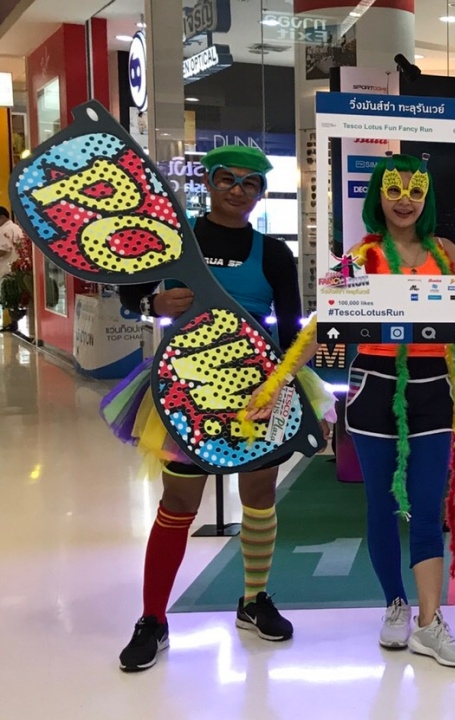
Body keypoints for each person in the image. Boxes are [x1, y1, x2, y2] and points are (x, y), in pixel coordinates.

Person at [114, 145, 308, 672]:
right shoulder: (177, 242)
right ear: (208, 181)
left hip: (255, 393)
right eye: (227, 179)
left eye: (250, 183)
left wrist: (280, 387)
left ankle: (253, 600)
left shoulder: (274, 254)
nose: (237, 191)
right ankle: (153, 619)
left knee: (260, 496)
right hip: (185, 392)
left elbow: (292, 328)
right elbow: (129, 297)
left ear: (261, 192)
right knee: (178, 502)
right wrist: (153, 303)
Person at [342, 155, 455, 663]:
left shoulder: (445, 251)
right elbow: (330, 317)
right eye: (394, 190)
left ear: (427, 197)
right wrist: (282, 378)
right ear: (378, 195)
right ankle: (394, 604)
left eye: (415, 191)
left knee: (426, 508)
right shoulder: (362, 254)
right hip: (374, 386)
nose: (405, 201)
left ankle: (429, 622)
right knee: (382, 505)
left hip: (432, 387)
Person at [0, 206, 23, 331]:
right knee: (14, 295)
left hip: (6, 267)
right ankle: (14, 323)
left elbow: (2, 250)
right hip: (17, 266)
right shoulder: (16, 227)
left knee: (7, 295)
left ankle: (13, 323)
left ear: (2, 217)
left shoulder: (3, 230)